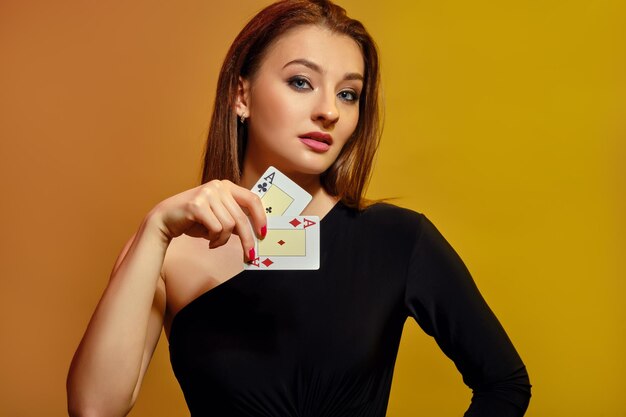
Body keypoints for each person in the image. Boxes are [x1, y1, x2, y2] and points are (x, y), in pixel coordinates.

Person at [67, 0, 531, 416]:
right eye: (301, 82)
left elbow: (504, 384)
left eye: (348, 93)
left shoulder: (398, 240)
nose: (328, 110)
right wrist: (156, 228)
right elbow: (93, 408)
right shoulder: (168, 252)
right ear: (241, 95)